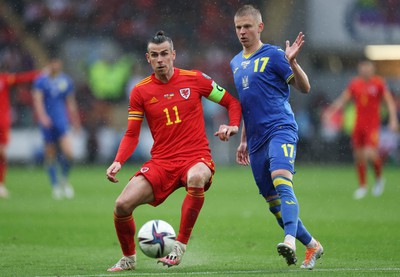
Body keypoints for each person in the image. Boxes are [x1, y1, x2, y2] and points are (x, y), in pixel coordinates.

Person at [105, 30, 241, 272]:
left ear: (174, 55)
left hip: (195, 157)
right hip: (162, 162)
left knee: (197, 177)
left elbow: (232, 102)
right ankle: (128, 259)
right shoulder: (140, 91)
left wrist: (232, 125)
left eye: (164, 54)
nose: (160, 59)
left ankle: (179, 246)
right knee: (122, 205)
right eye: (155, 55)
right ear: (148, 58)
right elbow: (132, 134)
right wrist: (118, 161)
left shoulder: (195, 79)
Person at [231, 5, 323, 269]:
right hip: (256, 139)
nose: (242, 32)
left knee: (282, 182)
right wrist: (245, 140)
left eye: (247, 26)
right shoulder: (236, 63)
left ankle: (290, 241)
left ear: (260, 27)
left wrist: (292, 61)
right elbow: (248, 103)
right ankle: (312, 245)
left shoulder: (274, 55)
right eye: (238, 27)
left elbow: (305, 88)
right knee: (273, 204)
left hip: (281, 128)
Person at [324, 60, 398, 199]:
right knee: (358, 156)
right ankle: (363, 186)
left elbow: (388, 101)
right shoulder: (355, 84)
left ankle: (379, 178)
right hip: (359, 125)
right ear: (359, 70)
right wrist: (331, 111)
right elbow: (343, 100)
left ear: (372, 70)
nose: (365, 71)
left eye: (368, 69)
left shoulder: (379, 83)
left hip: (372, 125)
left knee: (370, 153)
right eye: (363, 69)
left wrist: (393, 119)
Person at [32, 57, 81, 199]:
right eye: (53, 62)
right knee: (50, 154)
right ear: (49, 64)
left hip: (61, 121)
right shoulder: (41, 80)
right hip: (47, 122)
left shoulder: (65, 81)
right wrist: (42, 117)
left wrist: (76, 121)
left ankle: (64, 179)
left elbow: (71, 102)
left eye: (58, 62)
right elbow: (37, 100)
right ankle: (55, 186)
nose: (56, 65)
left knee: (69, 153)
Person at [0, 69, 40, 198]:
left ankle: (1, 184)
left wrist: (36, 74)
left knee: (3, 155)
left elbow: (19, 79)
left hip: (3, 123)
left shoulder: (3, 79)